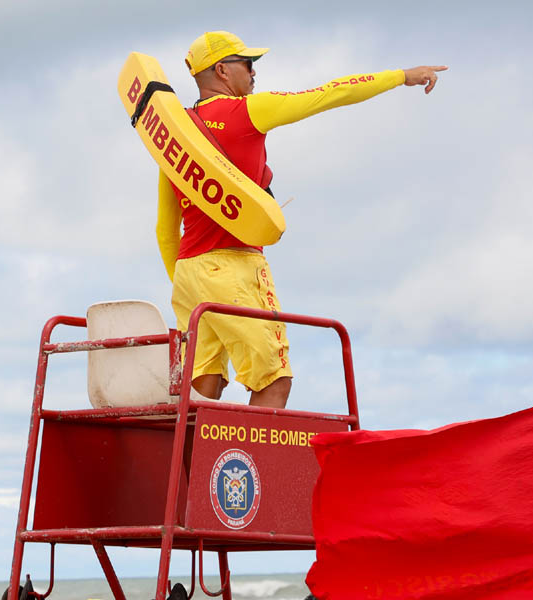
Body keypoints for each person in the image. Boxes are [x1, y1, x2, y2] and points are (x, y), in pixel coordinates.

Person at [157, 30, 447, 409]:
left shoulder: (177, 137)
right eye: (248, 64)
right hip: (235, 266)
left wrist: (188, 286)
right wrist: (401, 76)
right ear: (223, 71)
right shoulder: (247, 111)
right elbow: (328, 94)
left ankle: (182, 469)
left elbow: (166, 230)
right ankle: (245, 470)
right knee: (274, 381)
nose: (254, 72)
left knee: (203, 386)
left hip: (188, 275)